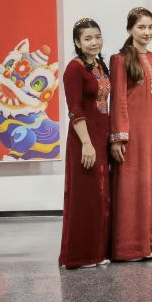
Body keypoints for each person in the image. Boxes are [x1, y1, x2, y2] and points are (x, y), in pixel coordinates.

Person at [109, 7, 152, 261]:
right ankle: (130, 247)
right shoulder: (120, 59)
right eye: (141, 27)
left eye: (150, 27)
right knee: (131, 188)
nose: (147, 32)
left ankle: (151, 243)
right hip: (132, 135)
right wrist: (118, 137)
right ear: (130, 29)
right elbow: (118, 100)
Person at [59, 18, 111, 269]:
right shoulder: (74, 69)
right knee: (85, 196)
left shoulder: (100, 65)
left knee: (100, 196)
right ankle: (79, 256)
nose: (94, 42)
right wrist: (87, 144)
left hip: (101, 136)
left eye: (97, 37)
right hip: (84, 139)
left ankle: (97, 252)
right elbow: (75, 110)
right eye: (88, 38)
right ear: (77, 43)